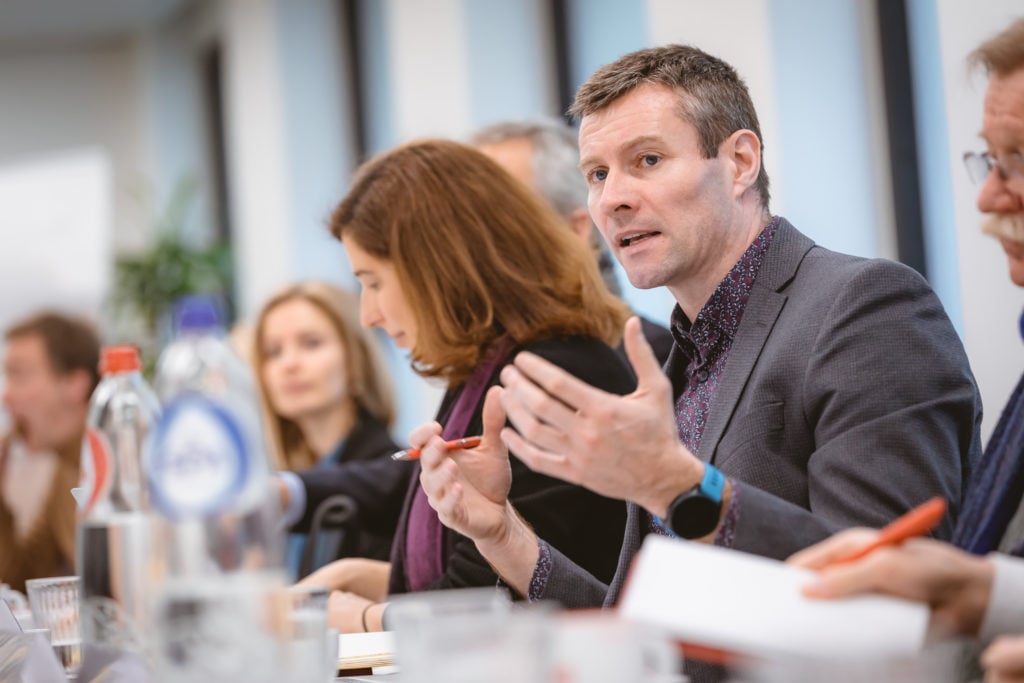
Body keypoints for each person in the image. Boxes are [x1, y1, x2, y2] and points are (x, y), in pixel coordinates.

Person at [416, 43, 981, 635]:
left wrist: (670, 484)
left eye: (649, 160)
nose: (613, 199)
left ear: (740, 162)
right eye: (598, 174)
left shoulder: (866, 306)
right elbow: (647, 635)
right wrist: (501, 533)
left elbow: (888, 596)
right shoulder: (680, 355)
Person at [281, 138, 635, 633]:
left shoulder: (550, 374)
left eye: (375, 281)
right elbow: (473, 568)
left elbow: (506, 596)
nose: (368, 315)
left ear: (439, 269)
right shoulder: (489, 367)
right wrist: (359, 577)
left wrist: (357, 617)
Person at [788, 17, 1024, 683]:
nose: (988, 194)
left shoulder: (866, 304)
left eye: (1021, 159)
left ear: (743, 161)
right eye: (990, 157)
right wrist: (971, 586)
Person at [470, 119, 674, 364]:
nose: (470, 240)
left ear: (575, 229)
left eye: (496, 216)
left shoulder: (654, 359)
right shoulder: (480, 354)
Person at [253, 281, 399, 576]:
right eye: (273, 351)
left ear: (356, 360)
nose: (289, 364)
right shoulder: (289, 468)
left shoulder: (391, 477)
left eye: (311, 343)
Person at [0, 311, 100, 591]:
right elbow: (24, 586)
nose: (6, 395)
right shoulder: (58, 467)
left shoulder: (111, 464)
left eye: (19, 375)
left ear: (74, 385)